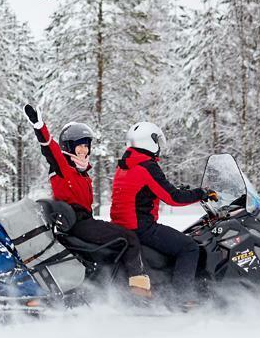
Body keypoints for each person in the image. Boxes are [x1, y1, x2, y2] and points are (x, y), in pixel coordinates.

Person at [23, 104, 152, 298]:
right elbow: (49, 149)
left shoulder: (82, 173)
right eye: (80, 144)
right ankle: (139, 290)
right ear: (68, 146)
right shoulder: (63, 167)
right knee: (130, 238)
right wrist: (40, 126)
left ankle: (113, 288)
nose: (84, 149)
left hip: (85, 222)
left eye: (86, 145)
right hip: (78, 224)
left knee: (118, 240)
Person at [110, 121, 218, 304]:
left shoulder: (125, 165)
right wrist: (201, 193)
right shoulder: (147, 166)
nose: (159, 146)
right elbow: (172, 197)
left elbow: (146, 190)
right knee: (189, 246)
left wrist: (180, 190)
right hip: (141, 228)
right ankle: (182, 298)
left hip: (122, 226)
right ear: (148, 141)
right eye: (157, 140)